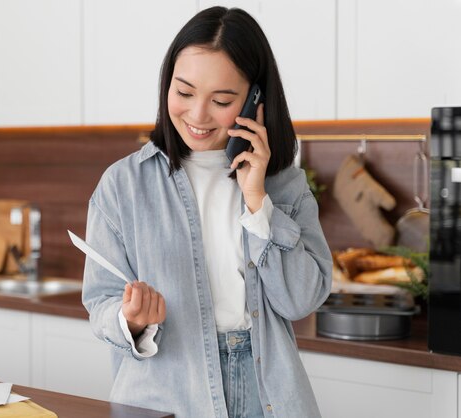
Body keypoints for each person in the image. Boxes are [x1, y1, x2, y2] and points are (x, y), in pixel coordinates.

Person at [81, 6, 332, 418]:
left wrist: (258, 202)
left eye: (221, 100)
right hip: (163, 393)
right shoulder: (123, 184)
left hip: (266, 395)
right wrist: (131, 319)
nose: (197, 115)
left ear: (256, 99)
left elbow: (300, 301)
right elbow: (100, 303)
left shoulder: (283, 183)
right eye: (183, 92)